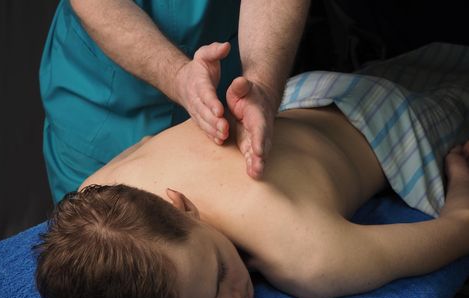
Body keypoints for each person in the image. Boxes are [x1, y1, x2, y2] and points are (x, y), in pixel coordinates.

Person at [34, 43, 469, 298]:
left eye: (221, 272)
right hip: (298, 97)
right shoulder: (99, 189)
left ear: (184, 207)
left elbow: (460, 227)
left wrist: (460, 180)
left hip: (390, 128)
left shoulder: (310, 258)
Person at [39, 0, 310, 203]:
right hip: (100, 99)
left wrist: (262, 85)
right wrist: (177, 75)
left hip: (227, 83)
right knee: (106, 252)